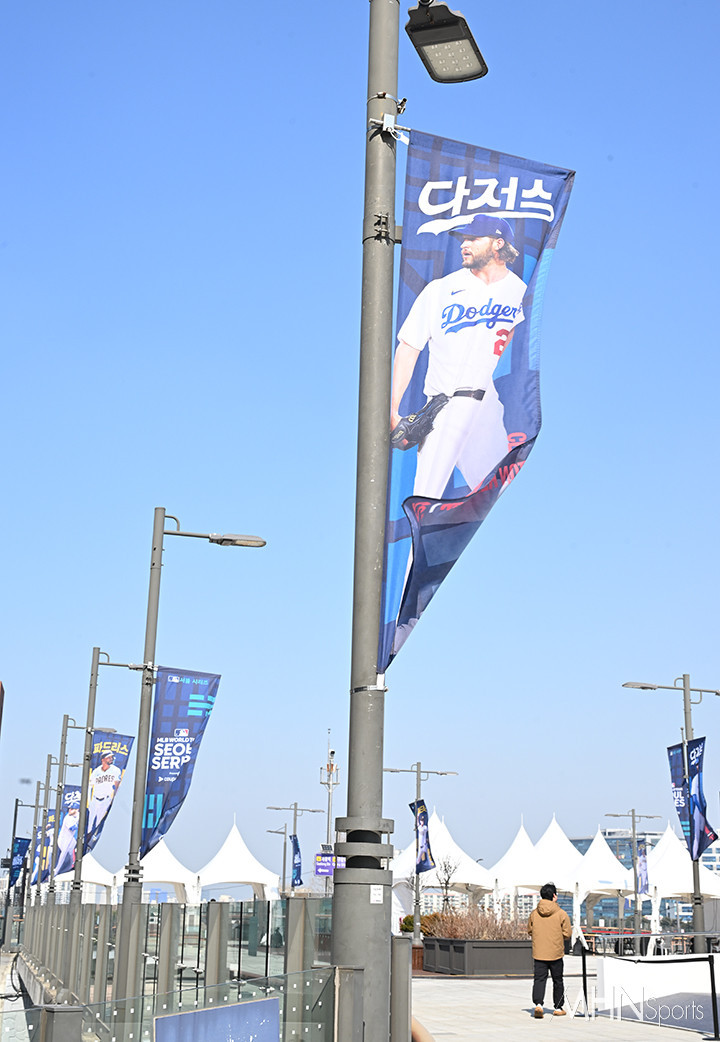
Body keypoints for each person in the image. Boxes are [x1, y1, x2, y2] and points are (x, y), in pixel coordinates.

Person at [390, 213, 527, 500]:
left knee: (489, 498)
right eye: (463, 238)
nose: (464, 245)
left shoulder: (521, 292)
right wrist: (392, 407)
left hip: (488, 406)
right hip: (444, 406)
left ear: (497, 244)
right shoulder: (439, 290)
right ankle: (417, 547)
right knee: (426, 501)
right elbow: (409, 347)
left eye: (473, 238)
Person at [527, 882, 572, 1018]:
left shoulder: (534, 913)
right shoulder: (561, 914)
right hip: (556, 952)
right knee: (557, 980)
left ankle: (539, 1005)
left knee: (539, 979)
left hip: (539, 952)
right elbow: (567, 933)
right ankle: (558, 1007)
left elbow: (530, 930)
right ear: (554, 896)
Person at [87, 749, 122, 839]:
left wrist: (114, 800)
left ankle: (93, 841)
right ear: (103, 759)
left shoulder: (116, 770)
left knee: (100, 823)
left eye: (112, 757)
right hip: (94, 799)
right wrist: (89, 801)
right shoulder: (96, 771)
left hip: (106, 800)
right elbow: (89, 787)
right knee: (89, 824)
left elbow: (116, 786)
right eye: (109, 757)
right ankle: (86, 840)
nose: (111, 759)